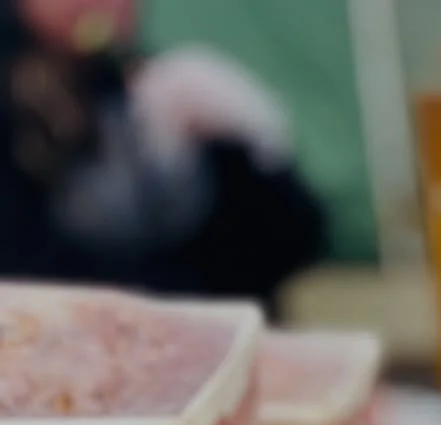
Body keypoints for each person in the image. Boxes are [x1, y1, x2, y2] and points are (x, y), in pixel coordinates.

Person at [0, 0, 325, 312]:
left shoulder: (155, 87)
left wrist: (253, 154)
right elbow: (27, 270)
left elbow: (284, 254)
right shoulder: (15, 104)